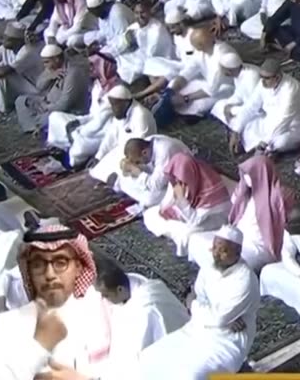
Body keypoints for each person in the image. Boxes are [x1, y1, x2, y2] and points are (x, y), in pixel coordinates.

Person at [0, 225, 112, 377]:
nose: (50, 275)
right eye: (39, 265)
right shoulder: (8, 323)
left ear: (78, 267)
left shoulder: (96, 305)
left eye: (61, 263)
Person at [133, 226, 260, 380]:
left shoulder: (245, 279)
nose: (217, 254)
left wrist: (193, 305)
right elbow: (200, 296)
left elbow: (215, 315)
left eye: (223, 251)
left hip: (227, 339)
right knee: (149, 357)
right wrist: (221, 317)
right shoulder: (209, 266)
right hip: (197, 330)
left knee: (191, 375)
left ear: (238, 253)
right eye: (214, 248)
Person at [188, 156, 293, 271]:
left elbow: (284, 224)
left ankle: (218, 270)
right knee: (195, 239)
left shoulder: (280, 195)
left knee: (234, 261)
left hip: (258, 246)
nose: (246, 177)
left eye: (249, 173)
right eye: (245, 174)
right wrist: (242, 191)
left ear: (261, 174)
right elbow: (235, 209)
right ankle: (217, 268)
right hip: (236, 236)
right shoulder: (245, 191)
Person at [93, 259, 189, 374]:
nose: (103, 298)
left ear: (120, 289)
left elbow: (136, 358)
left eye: (106, 295)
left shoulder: (146, 311)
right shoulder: (133, 285)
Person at [142, 154, 232, 258]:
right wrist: (165, 210)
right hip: (190, 213)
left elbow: (195, 220)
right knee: (150, 213)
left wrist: (181, 198)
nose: (179, 183)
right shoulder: (181, 180)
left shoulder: (210, 189)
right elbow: (169, 199)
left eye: (181, 180)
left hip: (212, 219)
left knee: (185, 235)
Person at [222, 59, 300, 155]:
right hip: (271, 121)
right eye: (261, 77)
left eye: (266, 78)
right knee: (246, 123)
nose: (262, 81)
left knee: (281, 142)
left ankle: (267, 150)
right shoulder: (263, 84)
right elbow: (250, 107)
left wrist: (263, 144)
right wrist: (236, 131)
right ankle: (255, 145)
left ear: (277, 77)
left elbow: (284, 120)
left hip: (294, 126)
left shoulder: (291, 89)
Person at [106, 135, 190, 211]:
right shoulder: (149, 144)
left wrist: (138, 172)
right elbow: (150, 167)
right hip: (163, 176)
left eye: (138, 161)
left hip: (183, 181)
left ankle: (120, 184)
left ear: (144, 153)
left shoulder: (164, 151)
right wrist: (130, 168)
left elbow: (156, 185)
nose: (138, 163)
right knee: (129, 173)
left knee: (150, 199)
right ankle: (122, 184)